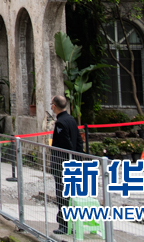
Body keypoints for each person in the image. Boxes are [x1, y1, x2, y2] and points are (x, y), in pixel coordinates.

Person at [51, 95, 82, 236]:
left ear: (54, 106)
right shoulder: (71, 120)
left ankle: (64, 225)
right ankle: (72, 224)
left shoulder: (60, 124)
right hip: (74, 163)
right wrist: (79, 158)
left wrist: (69, 159)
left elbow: (66, 144)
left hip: (63, 164)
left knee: (63, 195)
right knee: (71, 195)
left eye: (52, 104)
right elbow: (79, 142)